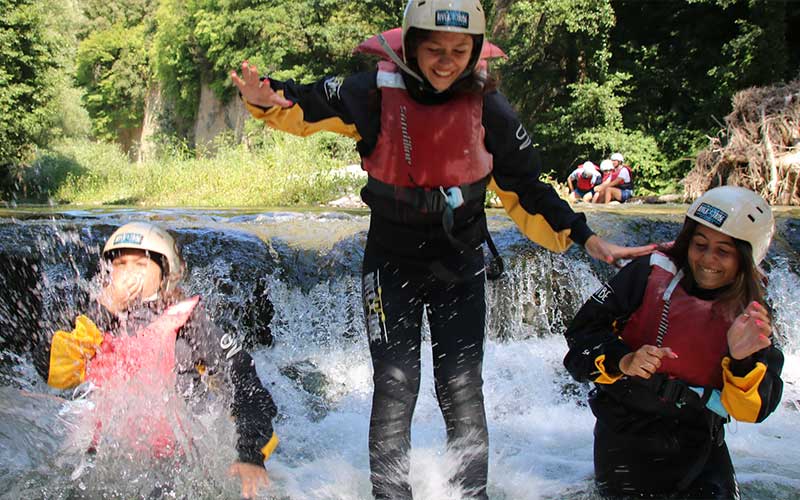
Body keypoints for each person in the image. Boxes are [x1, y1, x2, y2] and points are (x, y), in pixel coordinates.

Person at [231, 1, 654, 498]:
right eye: (434, 48)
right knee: (395, 382)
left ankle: (470, 494)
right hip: (390, 262)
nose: (446, 60)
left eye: (459, 49)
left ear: (475, 50)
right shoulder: (371, 93)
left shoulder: (490, 110)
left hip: (460, 263)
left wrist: (585, 236)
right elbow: (302, 101)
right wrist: (264, 98)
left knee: (461, 386)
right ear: (410, 45)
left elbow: (528, 189)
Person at [563, 186, 784, 499]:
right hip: (626, 433)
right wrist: (623, 360)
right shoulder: (647, 273)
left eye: (723, 251)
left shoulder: (752, 314)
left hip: (701, 439)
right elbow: (579, 343)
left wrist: (741, 361)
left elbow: (756, 409)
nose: (707, 260)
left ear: (745, 257)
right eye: (700, 245)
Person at [35, 222, 278, 499]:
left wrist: (250, 453)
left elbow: (245, 383)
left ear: (166, 274)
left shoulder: (191, 323)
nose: (128, 275)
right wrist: (105, 309)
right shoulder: (93, 319)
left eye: (140, 265)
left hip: (177, 463)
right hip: (110, 455)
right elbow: (52, 369)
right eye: (121, 264)